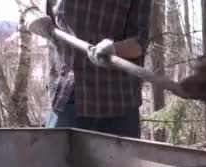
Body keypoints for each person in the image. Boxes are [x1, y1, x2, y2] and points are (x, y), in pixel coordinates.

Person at [25, 0, 152, 138]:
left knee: (125, 160)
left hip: (119, 103)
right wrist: (30, 10)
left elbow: (140, 42)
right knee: (56, 158)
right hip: (69, 97)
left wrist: (115, 49)